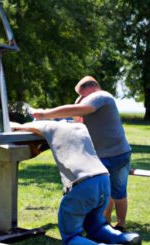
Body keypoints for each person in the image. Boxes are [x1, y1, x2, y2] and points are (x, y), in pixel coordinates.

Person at [10, 118, 142, 245]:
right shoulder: (80, 127)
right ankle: (126, 239)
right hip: (103, 179)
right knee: (96, 225)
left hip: (82, 184)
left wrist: (9, 123)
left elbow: (17, 127)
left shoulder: (48, 125)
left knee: (71, 237)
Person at [32, 76, 131, 231]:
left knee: (118, 192)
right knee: (107, 193)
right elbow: (78, 118)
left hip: (116, 155)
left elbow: (80, 110)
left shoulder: (100, 96)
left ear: (87, 90)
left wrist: (44, 114)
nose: (79, 99)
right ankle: (105, 224)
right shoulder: (96, 102)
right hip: (105, 155)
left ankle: (121, 225)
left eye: (80, 95)